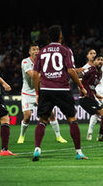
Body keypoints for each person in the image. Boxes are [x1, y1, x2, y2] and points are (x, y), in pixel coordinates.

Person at [32, 25, 88, 161]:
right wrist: (81, 86)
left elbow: (35, 74)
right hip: (62, 89)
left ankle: (37, 149)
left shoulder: (42, 51)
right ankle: (79, 152)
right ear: (60, 36)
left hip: (45, 89)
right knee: (72, 120)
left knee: (43, 120)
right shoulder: (65, 50)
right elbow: (70, 70)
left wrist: (37, 92)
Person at [17, 43, 67, 144]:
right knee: (27, 117)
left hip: (41, 92)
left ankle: (58, 136)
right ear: (29, 52)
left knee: (51, 114)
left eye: (37, 49)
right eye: (33, 49)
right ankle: (21, 136)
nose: (36, 51)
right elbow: (33, 75)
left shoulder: (44, 62)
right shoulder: (25, 61)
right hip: (27, 93)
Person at [79, 56, 103, 142]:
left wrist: (96, 95)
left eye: (102, 60)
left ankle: (101, 136)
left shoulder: (100, 73)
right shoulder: (91, 69)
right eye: (98, 60)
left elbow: (92, 86)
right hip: (85, 98)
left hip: (91, 97)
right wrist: (82, 89)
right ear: (94, 62)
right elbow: (80, 76)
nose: (100, 61)